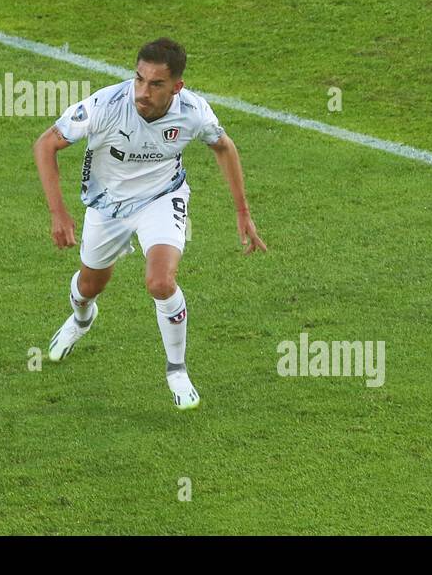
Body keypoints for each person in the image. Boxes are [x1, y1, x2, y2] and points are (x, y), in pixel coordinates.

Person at [32, 38, 268, 410]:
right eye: (139, 79)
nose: (143, 92)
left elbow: (224, 147)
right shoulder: (106, 105)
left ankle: (177, 370)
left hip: (162, 197)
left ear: (177, 87)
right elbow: (45, 144)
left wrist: (242, 211)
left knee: (160, 282)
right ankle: (81, 320)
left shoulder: (193, 112)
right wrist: (58, 213)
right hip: (106, 205)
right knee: (90, 285)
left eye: (156, 84)